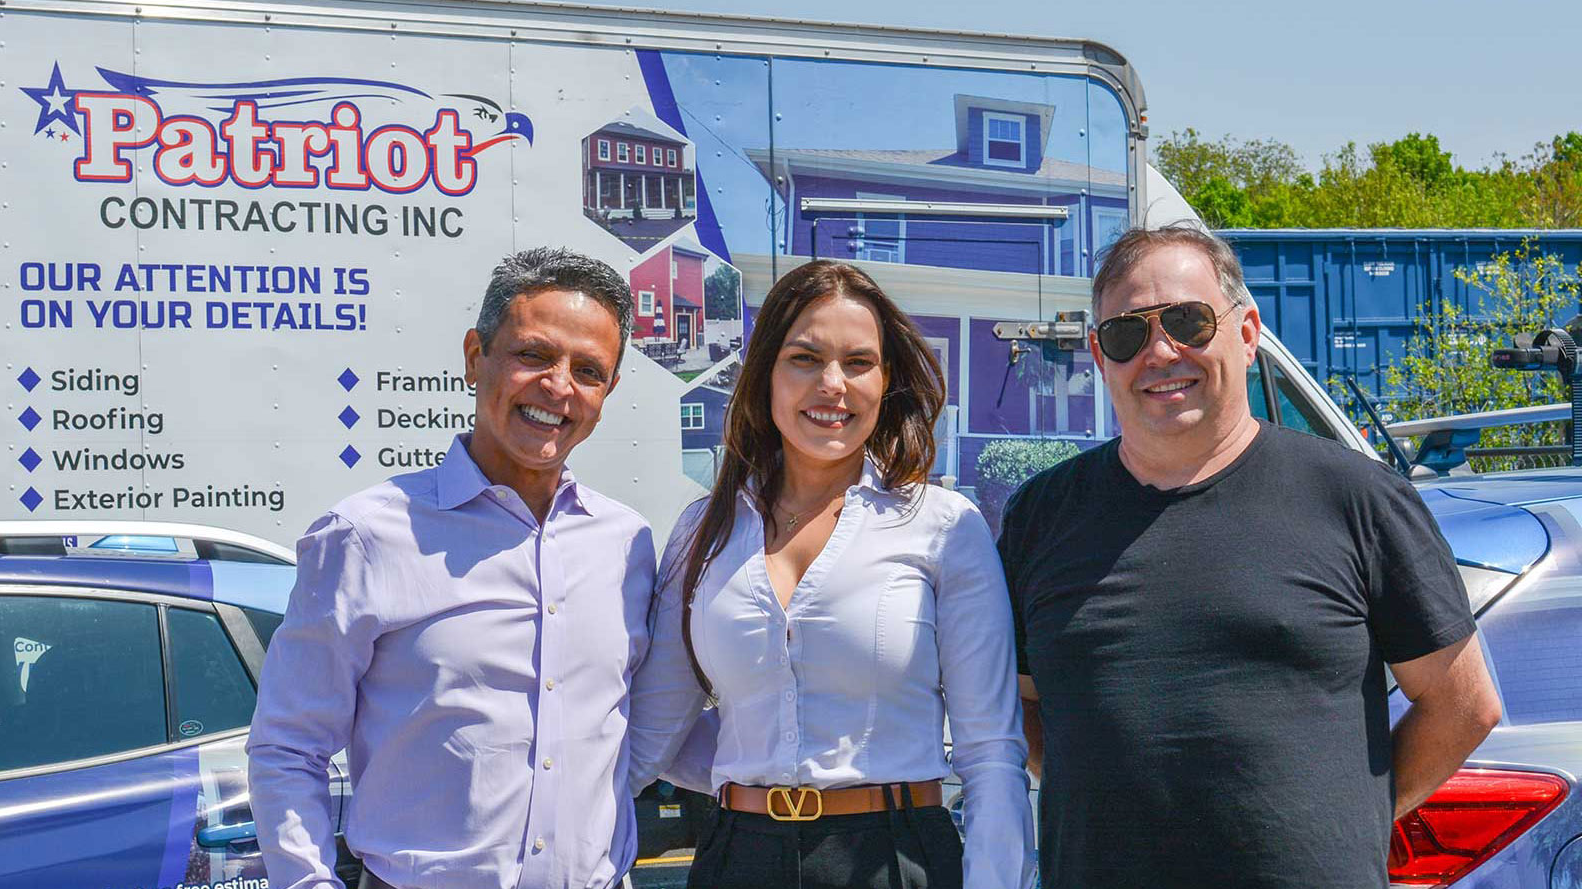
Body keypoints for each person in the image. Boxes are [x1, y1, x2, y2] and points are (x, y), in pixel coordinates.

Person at [1002, 223, 1503, 889]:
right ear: (1099, 357)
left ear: (1246, 331)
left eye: (1188, 320)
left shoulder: (1357, 498)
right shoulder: (1042, 516)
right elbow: (1022, 706)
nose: (1160, 351)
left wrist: (1355, 815)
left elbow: (1465, 704)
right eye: (1128, 333)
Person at [247, 247, 657, 889]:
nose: (558, 386)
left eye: (588, 370)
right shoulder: (366, 536)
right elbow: (288, 747)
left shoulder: (625, 544)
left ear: (607, 392)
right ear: (475, 356)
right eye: (533, 355)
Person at [629, 260, 1033, 889]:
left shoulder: (943, 526)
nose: (832, 384)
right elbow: (652, 734)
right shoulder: (701, 532)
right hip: (738, 857)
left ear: (886, 380)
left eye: (858, 362)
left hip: (893, 858)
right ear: (765, 373)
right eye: (805, 358)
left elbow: (990, 753)